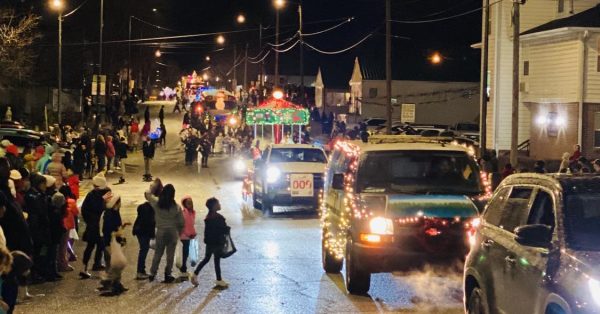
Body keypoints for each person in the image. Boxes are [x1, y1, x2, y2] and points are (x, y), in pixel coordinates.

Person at [145, 184, 184, 283]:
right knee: (170, 255)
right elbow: (181, 222)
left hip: (161, 231)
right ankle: (168, 274)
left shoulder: (157, 203)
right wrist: (179, 231)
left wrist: (153, 187)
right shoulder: (176, 207)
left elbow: (147, 194)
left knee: (158, 253)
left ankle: (152, 273)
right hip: (172, 232)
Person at [191, 197, 230, 288]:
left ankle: (196, 275)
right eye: (218, 203)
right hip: (216, 242)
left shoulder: (209, 217)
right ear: (213, 206)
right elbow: (220, 230)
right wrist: (226, 230)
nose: (220, 205)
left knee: (208, 259)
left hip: (210, 243)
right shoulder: (217, 218)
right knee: (215, 260)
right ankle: (218, 279)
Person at [79, 172, 111, 279]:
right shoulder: (99, 195)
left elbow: (85, 210)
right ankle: (87, 266)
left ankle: (94, 264)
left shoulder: (94, 195)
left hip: (96, 225)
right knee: (94, 246)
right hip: (97, 225)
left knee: (96, 246)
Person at [24, 174, 51, 282]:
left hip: (40, 229)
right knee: (38, 253)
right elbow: (39, 213)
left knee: (41, 252)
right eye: (44, 184)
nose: (45, 186)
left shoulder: (37, 195)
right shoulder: (34, 196)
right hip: (38, 229)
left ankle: (39, 272)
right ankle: (36, 274)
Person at [132, 179, 161, 280]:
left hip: (141, 230)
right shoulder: (153, 206)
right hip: (144, 231)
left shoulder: (145, 206)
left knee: (144, 249)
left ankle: (141, 270)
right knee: (143, 249)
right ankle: (140, 271)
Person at [179, 195, 196, 276]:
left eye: (191, 202)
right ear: (185, 204)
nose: (191, 204)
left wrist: (193, 233)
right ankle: (183, 269)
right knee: (185, 252)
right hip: (184, 236)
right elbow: (182, 226)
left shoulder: (192, 212)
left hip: (189, 236)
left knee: (186, 252)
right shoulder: (183, 214)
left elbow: (191, 225)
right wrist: (189, 234)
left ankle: (184, 268)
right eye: (188, 203)